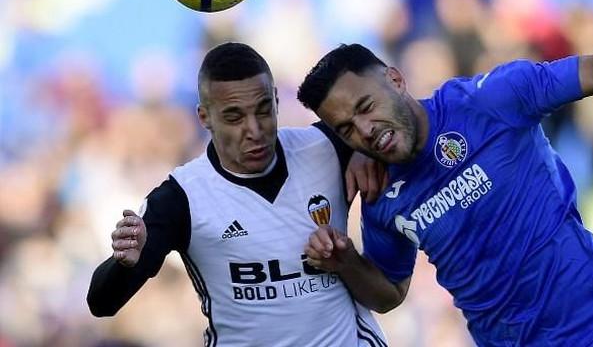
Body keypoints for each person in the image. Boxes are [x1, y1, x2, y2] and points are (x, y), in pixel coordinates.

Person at [297, 43, 593, 346]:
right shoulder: (379, 194)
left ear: (396, 79)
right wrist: (346, 262)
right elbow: (389, 292)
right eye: (347, 129)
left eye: (367, 106)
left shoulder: (491, 100)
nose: (365, 129)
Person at [87, 42, 387, 347]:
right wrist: (124, 264)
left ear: (276, 101)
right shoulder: (182, 197)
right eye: (234, 117)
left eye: (264, 110)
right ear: (204, 117)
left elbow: (399, 125)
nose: (254, 129)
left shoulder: (328, 148)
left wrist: (368, 149)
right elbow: (101, 304)